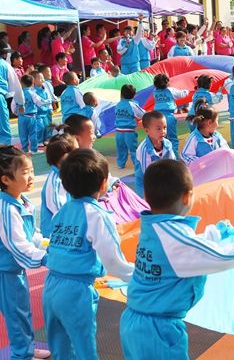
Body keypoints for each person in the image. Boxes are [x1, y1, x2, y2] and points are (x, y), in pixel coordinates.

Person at [121, 160, 234, 360]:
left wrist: (215, 233)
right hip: (159, 331)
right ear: (187, 197)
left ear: (146, 196)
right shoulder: (176, 240)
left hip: (134, 320)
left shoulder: (155, 227)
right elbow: (222, 257)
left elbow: (185, 250)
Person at [43, 149, 134, 360]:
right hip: (76, 290)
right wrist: (140, 276)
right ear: (103, 184)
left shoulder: (62, 212)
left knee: (60, 347)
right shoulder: (97, 215)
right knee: (84, 347)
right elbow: (113, 261)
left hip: (51, 286)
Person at [0, 146, 50, 360]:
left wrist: (48, 245)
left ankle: (27, 349)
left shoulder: (22, 201)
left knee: (22, 310)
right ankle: (21, 355)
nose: (31, 177)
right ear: (5, 179)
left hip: (14, 268)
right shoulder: (6, 208)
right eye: (25, 172)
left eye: (32, 170)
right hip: (5, 271)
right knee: (15, 314)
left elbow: (33, 235)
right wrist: (45, 258)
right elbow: (18, 245)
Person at [40, 133, 77, 237]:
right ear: (65, 157)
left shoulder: (69, 173)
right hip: (57, 235)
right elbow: (61, 212)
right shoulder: (56, 183)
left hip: (69, 228)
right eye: (77, 151)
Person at [134, 111, 176, 194]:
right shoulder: (144, 150)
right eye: (159, 129)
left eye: (165, 127)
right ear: (147, 131)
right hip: (146, 185)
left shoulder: (167, 144)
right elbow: (148, 175)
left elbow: (173, 163)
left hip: (163, 180)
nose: (163, 131)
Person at [153, 74, 189, 157]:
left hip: (157, 117)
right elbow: (182, 94)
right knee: (173, 139)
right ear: (167, 82)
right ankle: (174, 158)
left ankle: (162, 157)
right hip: (168, 117)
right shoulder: (170, 90)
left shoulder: (155, 92)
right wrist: (187, 90)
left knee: (160, 139)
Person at [16, 74, 51, 154]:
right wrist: (48, 101)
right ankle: (34, 149)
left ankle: (25, 149)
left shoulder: (18, 93)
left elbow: (13, 105)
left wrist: (17, 112)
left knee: (23, 134)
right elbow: (40, 102)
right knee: (33, 133)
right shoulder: (32, 93)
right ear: (32, 84)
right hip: (31, 116)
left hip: (22, 117)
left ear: (21, 83)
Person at [0, 42, 25, 145]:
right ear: (4, 54)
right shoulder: (5, 65)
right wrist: (20, 103)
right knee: (3, 127)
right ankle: (5, 148)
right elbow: (16, 86)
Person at [115, 84, 145, 169]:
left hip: (119, 132)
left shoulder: (118, 104)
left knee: (121, 149)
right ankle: (137, 164)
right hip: (129, 131)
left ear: (121, 94)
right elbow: (142, 114)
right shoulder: (132, 105)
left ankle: (121, 164)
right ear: (134, 95)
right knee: (133, 149)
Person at [33, 71, 56, 145]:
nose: (42, 80)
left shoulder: (45, 89)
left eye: (43, 78)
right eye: (40, 78)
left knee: (48, 125)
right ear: (34, 80)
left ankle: (48, 138)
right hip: (38, 113)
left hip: (47, 111)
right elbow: (39, 101)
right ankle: (39, 140)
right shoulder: (33, 91)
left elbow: (49, 98)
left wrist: (50, 108)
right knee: (40, 127)